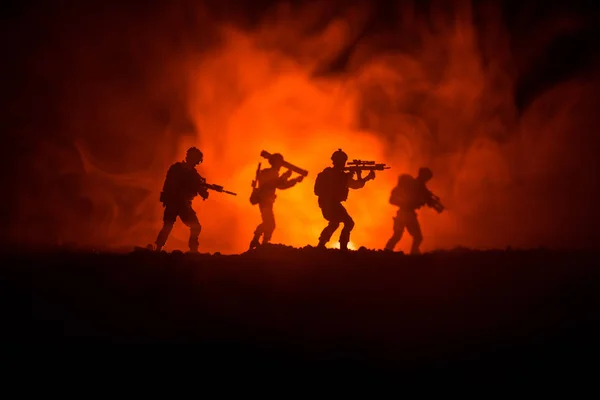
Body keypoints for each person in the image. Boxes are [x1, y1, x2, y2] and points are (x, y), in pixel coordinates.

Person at [313, 149, 375, 251]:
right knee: (349, 223)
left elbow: (353, 184)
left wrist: (360, 176)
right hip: (332, 204)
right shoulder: (341, 176)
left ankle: (321, 244)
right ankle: (343, 246)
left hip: (326, 204)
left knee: (334, 222)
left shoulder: (329, 173)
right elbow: (357, 185)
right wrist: (365, 177)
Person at [154, 146, 209, 252]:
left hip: (177, 203)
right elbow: (171, 185)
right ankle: (193, 249)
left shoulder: (183, 171)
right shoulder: (184, 172)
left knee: (169, 225)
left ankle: (158, 248)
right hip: (179, 204)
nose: (196, 162)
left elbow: (199, 190)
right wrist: (202, 191)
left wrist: (203, 190)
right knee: (193, 226)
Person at [249, 153, 304, 250]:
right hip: (265, 200)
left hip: (266, 200)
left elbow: (278, 183)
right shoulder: (272, 173)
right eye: (279, 163)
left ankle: (259, 241)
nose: (280, 166)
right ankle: (261, 242)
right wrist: (290, 178)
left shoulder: (268, 172)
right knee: (270, 223)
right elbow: (279, 185)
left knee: (268, 223)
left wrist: (289, 178)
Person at [384, 167, 441, 255]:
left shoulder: (419, 186)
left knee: (400, 236)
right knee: (413, 237)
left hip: (405, 214)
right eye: (426, 177)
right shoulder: (414, 185)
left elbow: (426, 199)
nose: (427, 180)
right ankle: (410, 253)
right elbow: (393, 200)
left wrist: (431, 203)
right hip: (406, 214)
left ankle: (387, 253)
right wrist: (409, 203)